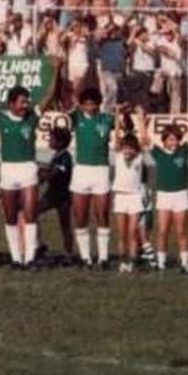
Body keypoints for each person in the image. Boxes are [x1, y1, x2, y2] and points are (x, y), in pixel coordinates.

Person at [0, 71, 57, 268]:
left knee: (30, 216)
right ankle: (16, 258)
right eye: (22, 102)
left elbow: (50, 95)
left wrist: (56, 70)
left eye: (27, 101)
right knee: (11, 217)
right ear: (11, 103)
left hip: (28, 169)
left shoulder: (32, 117)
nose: (25, 105)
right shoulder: (1, 119)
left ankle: (29, 258)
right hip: (9, 171)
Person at [139, 112, 188, 272]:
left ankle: (185, 263)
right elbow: (145, 139)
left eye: (176, 139)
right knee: (162, 231)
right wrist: (140, 118)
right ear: (164, 140)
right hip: (164, 196)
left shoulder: (184, 151)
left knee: (181, 231)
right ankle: (161, 262)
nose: (174, 142)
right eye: (170, 139)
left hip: (181, 196)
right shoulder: (158, 153)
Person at [68, 87, 116, 268]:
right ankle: (85, 257)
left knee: (102, 214)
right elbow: (61, 102)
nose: (90, 107)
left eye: (93, 104)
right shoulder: (77, 117)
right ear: (81, 105)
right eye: (86, 104)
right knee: (81, 216)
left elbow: (126, 126)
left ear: (99, 104)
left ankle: (103, 257)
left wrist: (125, 113)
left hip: (101, 171)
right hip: (81, 171)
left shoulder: (106, 118)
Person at [37, 126, 74, 264]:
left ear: (59, 142)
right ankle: (39, 244)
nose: (49, 140)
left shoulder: (65, 157)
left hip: (60, 195)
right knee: (32, 213)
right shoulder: (59, 155)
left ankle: (68, 253)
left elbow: (54, 174)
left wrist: (41, 171)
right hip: (54, 193)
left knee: (65, 224)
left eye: (52, 138)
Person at [111, 129, 144, 274]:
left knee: (132, 233)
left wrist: (143, 121)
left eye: (131, 148)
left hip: (135, 198)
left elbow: (144, 142)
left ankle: (132, 262)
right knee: (122, 233)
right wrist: (117, 114)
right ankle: (122, 262)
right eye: (125, 148)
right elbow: (117, 139)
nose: (128, 151)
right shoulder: (118, 156)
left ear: (136, 149)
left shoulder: (139, 158)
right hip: (120, 198)